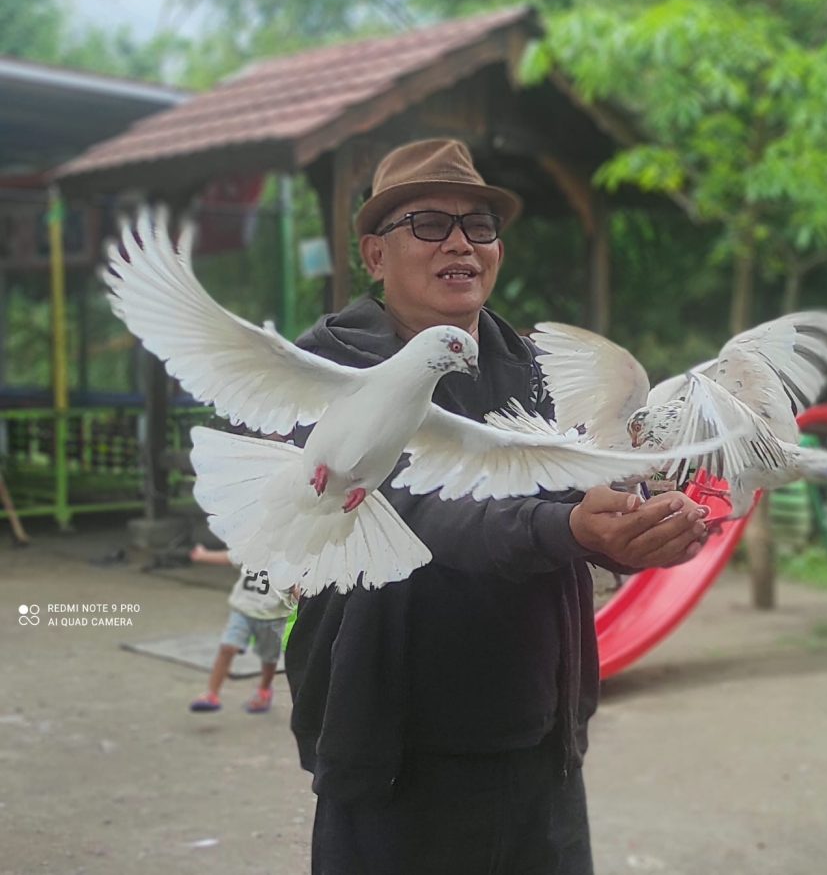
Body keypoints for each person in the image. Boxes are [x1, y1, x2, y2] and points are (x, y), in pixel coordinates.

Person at [284, 138, 711, 875]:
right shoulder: (328, 368)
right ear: (374, 256)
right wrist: (566, 525)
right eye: (427, 224)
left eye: (479, 226)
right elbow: (406, 513)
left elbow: (579, 496)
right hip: (392, 746)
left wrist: (635, 527)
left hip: (536, 741)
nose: (460, 243)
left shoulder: (536, 372)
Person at [189, 543, 296, 714]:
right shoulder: (254, 547)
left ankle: (264, 690)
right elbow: (230, 557)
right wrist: (203, 555)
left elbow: (298, 588)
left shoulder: (293, 558)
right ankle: (211, 694)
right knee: (227, 647)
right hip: (242, 610)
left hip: (273, 617)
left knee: (268, 658)